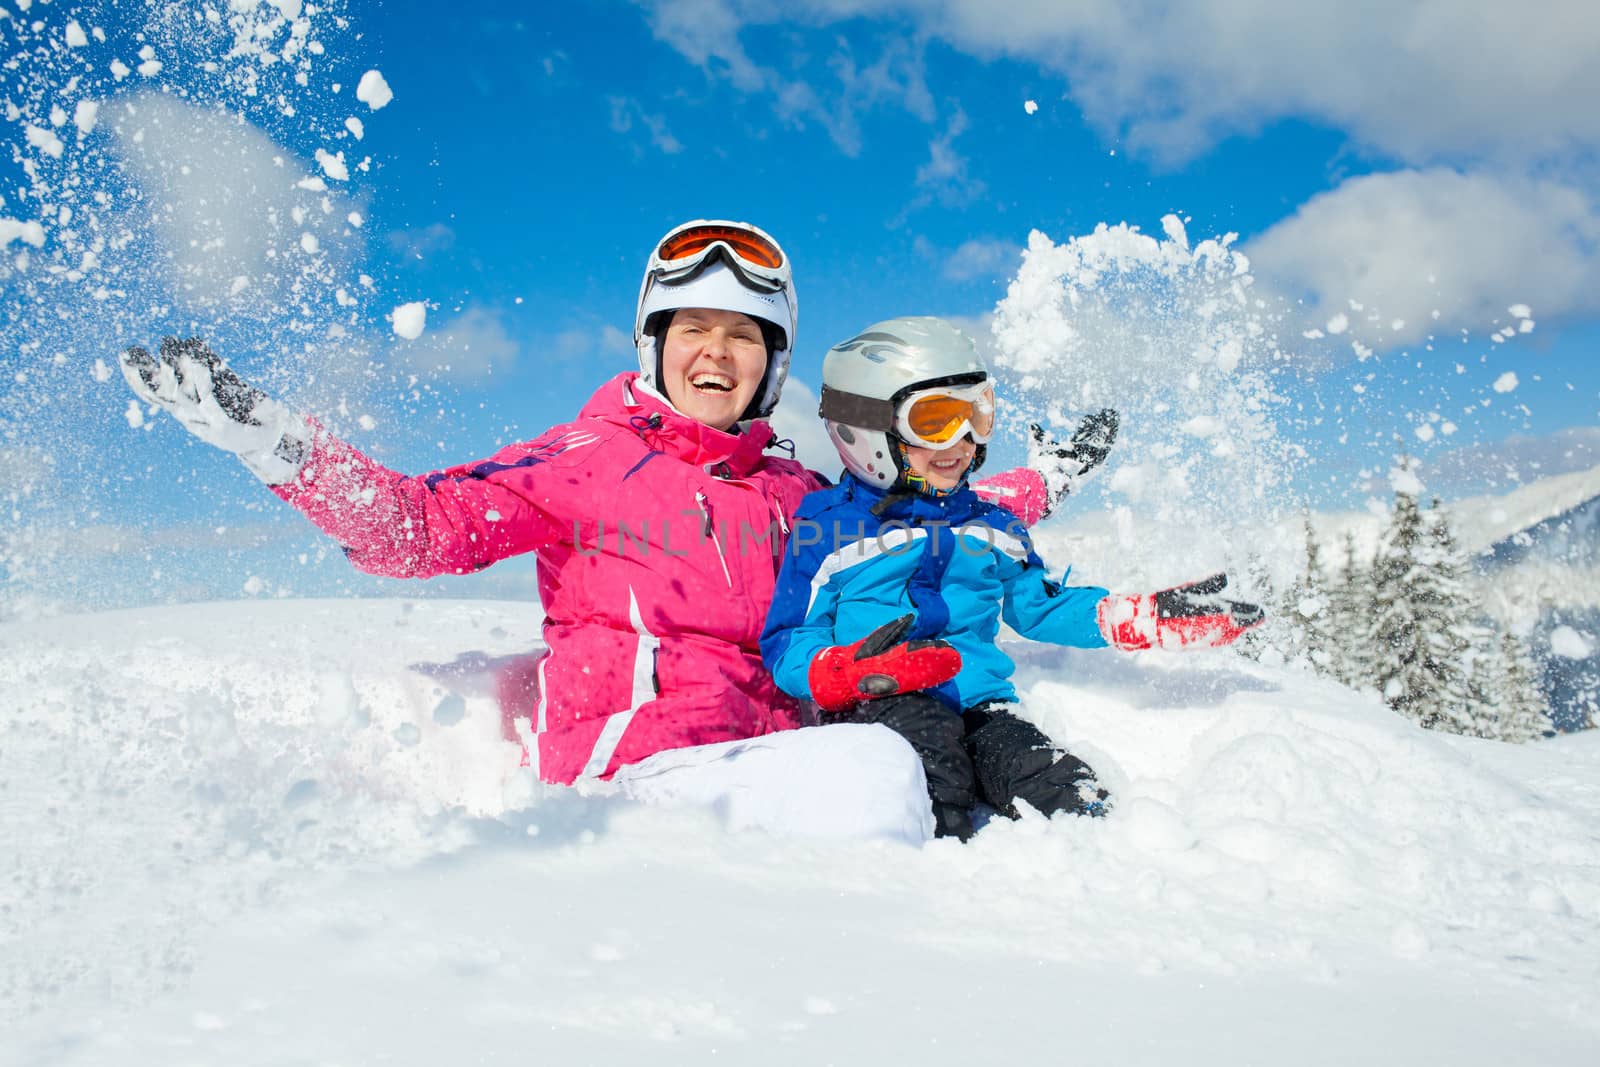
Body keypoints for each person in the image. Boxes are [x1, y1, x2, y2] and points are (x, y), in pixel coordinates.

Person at [117, 221, 1110, 835]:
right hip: (635, 785)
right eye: (693, 330)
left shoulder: (794, 488)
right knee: (876, 785)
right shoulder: (583, 460)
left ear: (771, 365)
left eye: (742, 336)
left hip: (777, 758)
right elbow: (416, 530)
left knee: (898, 771)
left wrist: (1048, 478)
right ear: (657, 344)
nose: (715, 352)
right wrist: (279, 445)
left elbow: (936, 514)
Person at [760, 317, 1264, 841]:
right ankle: (931, 883)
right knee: (930, 780)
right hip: (879, 703)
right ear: (866, 429)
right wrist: (841, 672)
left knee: (1054, 780)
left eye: (978, 413)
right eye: (935, 421)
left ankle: (1112, 861)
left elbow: (1039, 606)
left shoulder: (992, 525)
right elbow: (788, 640)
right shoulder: (829, 529)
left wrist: (1134, 617)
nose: (962, 441)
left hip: (981, 705)